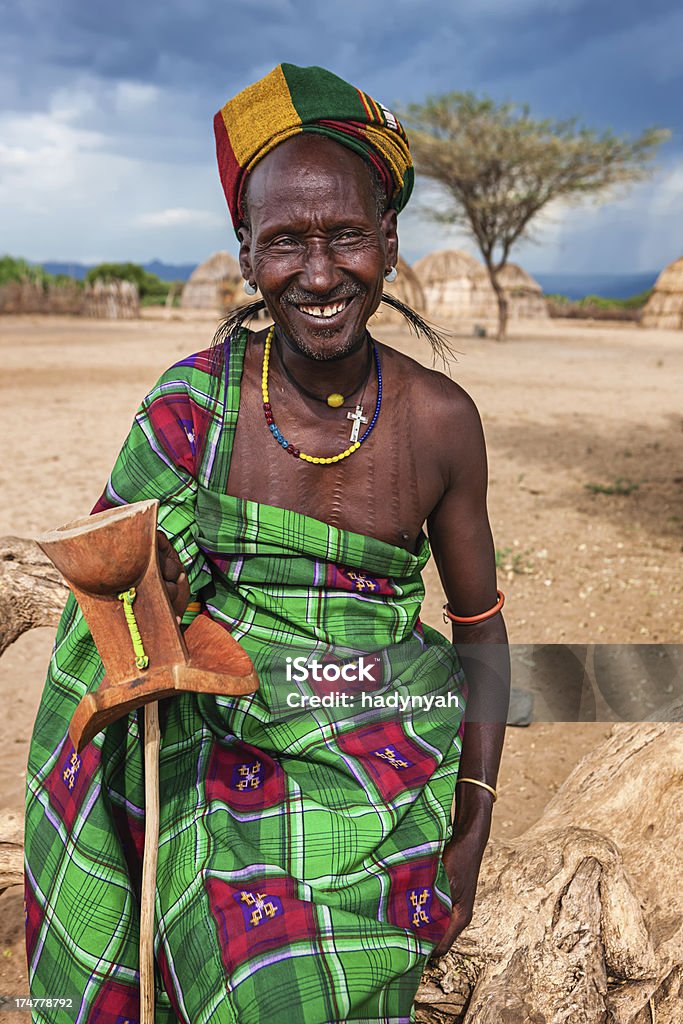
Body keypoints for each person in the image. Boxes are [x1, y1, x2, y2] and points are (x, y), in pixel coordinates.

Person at [25, 64, 510, 1024]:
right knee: (244, 962)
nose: (320, 273)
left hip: (382, 749)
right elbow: (115, 593)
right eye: (286, 241)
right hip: (216, 744)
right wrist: (151, 594)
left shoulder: (441, 421)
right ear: (247, 255)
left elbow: (482, 633)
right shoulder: (189, 409)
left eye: (346, 238)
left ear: (389, 243)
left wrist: (473, 830)